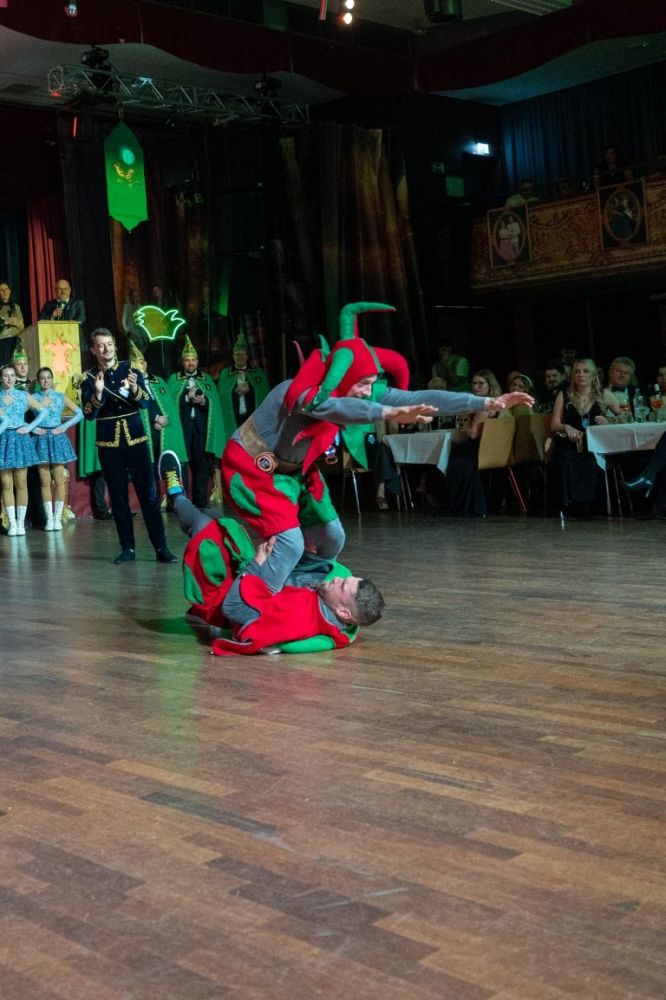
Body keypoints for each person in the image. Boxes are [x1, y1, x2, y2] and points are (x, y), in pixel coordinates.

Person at [221, 303, 533, 590]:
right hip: (250, 469)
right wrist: (387, 413)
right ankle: (247, 600)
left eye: (372, 383)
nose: (367, 391)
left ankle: (291, 586)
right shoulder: (299, 391)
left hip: (294, 473)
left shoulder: (362, 391)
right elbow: (335, 408)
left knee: (331, 537)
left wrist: (485, 402)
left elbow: (422, 397)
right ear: (343, 377)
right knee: (290, 543)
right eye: (363, 384)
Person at [159, 450, 384, 655]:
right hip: (283, 577)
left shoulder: (294, 618)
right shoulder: (342, 618)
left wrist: (255, 566)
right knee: (335, 537)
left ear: (343, 612)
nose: (339, 579)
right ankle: (296, 476)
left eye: (342, 586)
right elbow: (341, 636)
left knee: (207, 529)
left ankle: (176, 494)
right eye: (346, 580)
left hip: (243, 588)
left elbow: (234, 608)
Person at [80, 328, 177, 564]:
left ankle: (161, 548)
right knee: (118, 498)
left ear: (115, 345)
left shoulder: (131, 369)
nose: (106, 349)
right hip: (108, 445)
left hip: (136, 441)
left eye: (109, 343)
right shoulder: (89, 378)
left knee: (149, 496)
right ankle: (128, 548)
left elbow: (145, 403)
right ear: (93, 350)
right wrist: (98, 394)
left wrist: (134, 388)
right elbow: (89, 414)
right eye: (100, 345)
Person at [550, 358, 620, 517]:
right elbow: (554, 425)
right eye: (577, 371)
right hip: (570, 442)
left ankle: (592, 504)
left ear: (593, 375)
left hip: (594, 444)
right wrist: (566, 427)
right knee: (566, 459)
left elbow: (625, 417)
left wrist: (609, 421)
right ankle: (570, 504)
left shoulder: (604, 394)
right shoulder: (564, 395)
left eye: (585, 371)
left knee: (591, 461)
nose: (580, 375)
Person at [434, 369, 507, 518]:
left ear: (490, 385)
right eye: (474, 384)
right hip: (495, 451)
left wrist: (466, 417)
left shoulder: (484, 406)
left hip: (479, 451)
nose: (476, 387)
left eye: (480, 384)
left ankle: (454, 504)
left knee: (453, 457)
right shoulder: (500, 403)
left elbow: (473, 434)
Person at [168, 336, 224, 509]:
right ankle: (181, 500)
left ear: (197, 361)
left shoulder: (206, 379)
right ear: (182, 362)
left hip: (201, 429)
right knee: (181, 463)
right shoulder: (174, 379)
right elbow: (170, 404)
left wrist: (203, 401)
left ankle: (200, 500)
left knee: (201, 464)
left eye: (193, 360)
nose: (190, 363)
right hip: (182, 429)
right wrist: (187, 397)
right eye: (187, 360)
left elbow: (213, 404)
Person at [31, 366, 83, 530]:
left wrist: (64, 426)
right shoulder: (33, 397)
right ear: (38, 381)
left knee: (59, 480)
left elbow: (80, 413)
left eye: (48, 377)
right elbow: (15, 415)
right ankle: (49, 519)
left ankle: (57, 518)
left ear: (52, 379)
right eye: (42, 378)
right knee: (45, 481)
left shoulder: (60, 396)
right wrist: (32, 428)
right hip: (40, 439)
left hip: (57, 437)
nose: (46, 380)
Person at [0, 364, 48, 535]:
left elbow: (43, 411)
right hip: (3, 439)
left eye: (12, 375)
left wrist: (29, 427)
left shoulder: (23, 395)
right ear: (0, 378)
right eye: (6, 375)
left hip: (20, 439)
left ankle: (20, 523)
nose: (9, 378)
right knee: (6, 484)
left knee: (21, 483)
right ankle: (12, 523)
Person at [217, 330, 270, 446]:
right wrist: (235, 392)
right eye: (237, 354)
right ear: (233, 356)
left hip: (251, 416)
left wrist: (249, 391)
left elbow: (264, 397)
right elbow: (222, 397)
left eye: (243, 354)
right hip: (234, 417)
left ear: (247, 356)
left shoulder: (258, 374)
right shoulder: (225, 374)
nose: (240, 357)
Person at [0, 281, 24, 367]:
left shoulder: (16, 307)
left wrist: (17, 323)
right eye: (1, 290)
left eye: (6, 289)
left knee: (16, 365)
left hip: (16, 340)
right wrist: (4, 321)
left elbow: (22, 327)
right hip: (2, 342)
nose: (5, 291)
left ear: (10, 291)